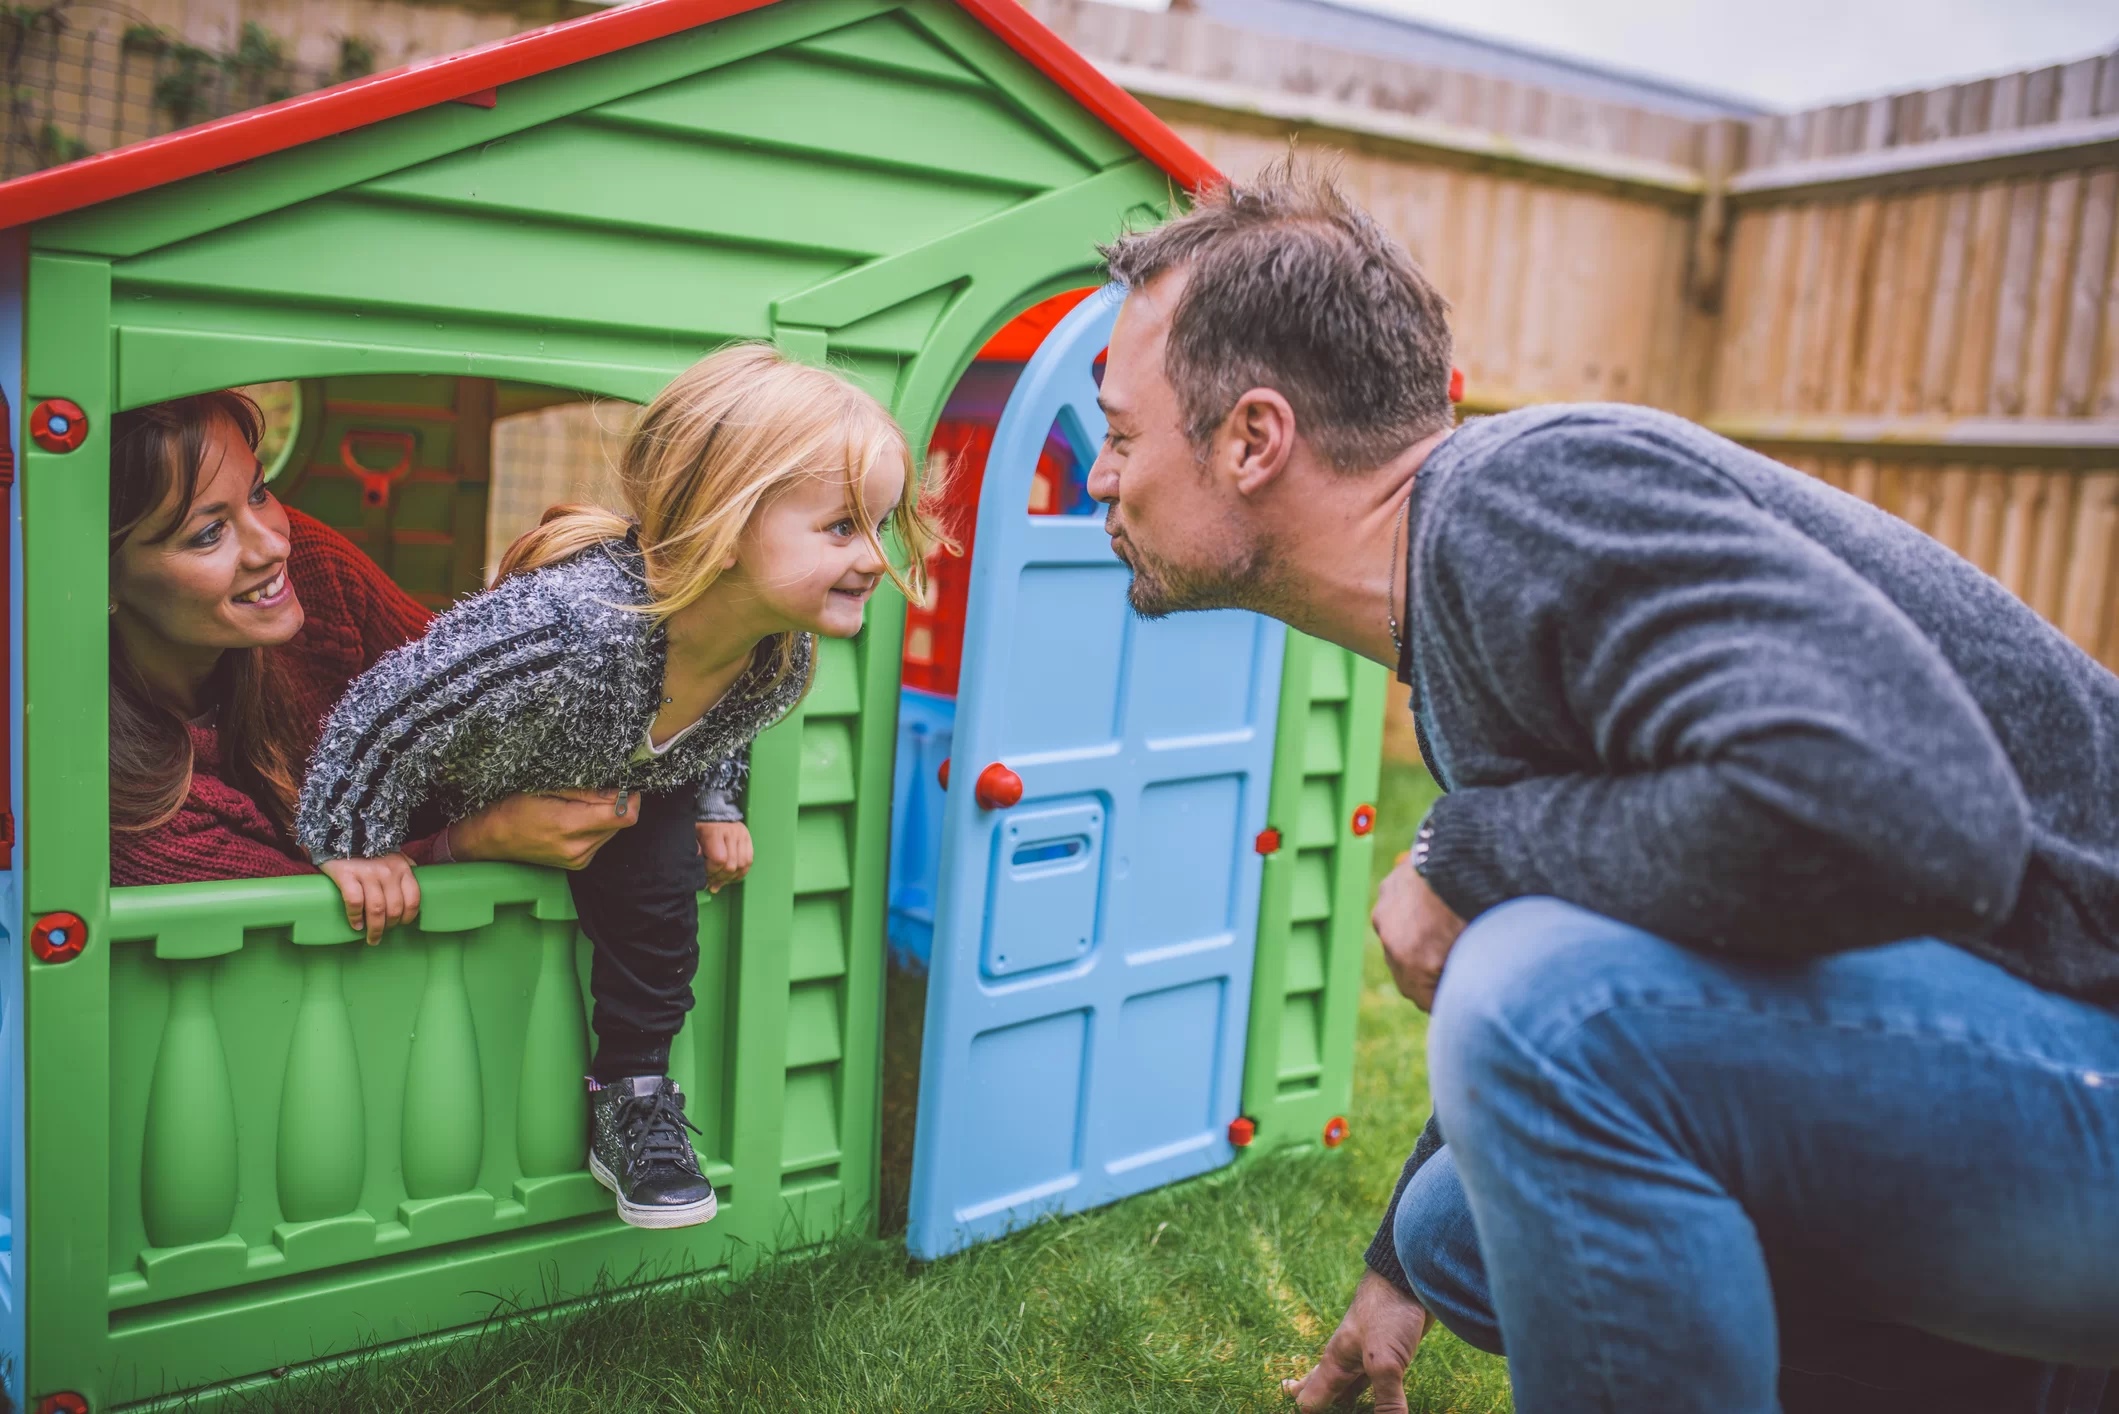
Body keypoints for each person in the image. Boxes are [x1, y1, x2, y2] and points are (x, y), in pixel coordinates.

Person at [1085, 160, 2119, 1413]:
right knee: (1444, 1229)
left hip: (2085, 1048)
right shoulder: (1473, 582)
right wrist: (1389, 1279)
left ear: (1254, 437)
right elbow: (1660, 900)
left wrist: (1461, 850)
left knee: (1539, 1007)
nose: (1101, 477)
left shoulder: (1519, 498)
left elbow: (1922, 812)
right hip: (2033, 1066)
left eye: (1122, 435)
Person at [294, 345, 941, 1230]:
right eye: (840, 528)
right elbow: (391, 704)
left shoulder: (781, 659)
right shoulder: (573, 626)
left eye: (880, 525)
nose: (874, 556)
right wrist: (356, 842)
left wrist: (714, 804)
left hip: (621, 780)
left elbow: (721, 727)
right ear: (721, 520)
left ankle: (634, 1097)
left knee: (663, 895)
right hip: (462, 783)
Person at [108, 391, 648, 887]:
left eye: (258, 492)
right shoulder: (132, 804)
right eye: (208, 533)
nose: (271, 544)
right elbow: (295, 917)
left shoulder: (311, 573)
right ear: (102, 578)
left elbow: (469, 694)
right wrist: (468, 845)